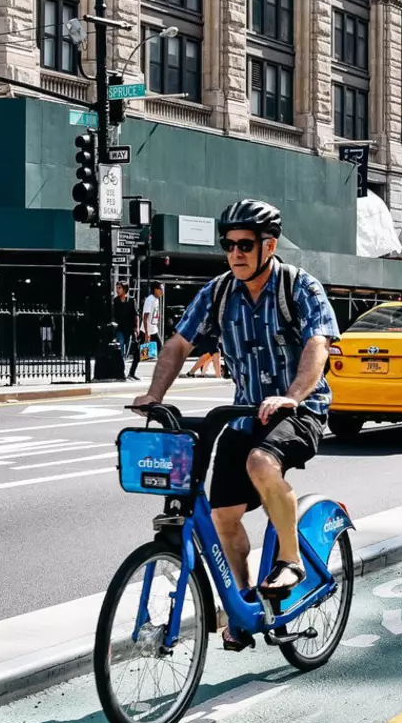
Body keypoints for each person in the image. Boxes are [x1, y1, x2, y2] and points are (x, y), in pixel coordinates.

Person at [133, 199, 340, 648]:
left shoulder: (299, 286)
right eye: (228, 245)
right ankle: (244, 604)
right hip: (245, 413)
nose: (235, 254)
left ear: (270, 245)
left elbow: (317, 347)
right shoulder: (219, 292)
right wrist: (154, 396)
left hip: (300, 410)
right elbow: (177, 344)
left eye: (245, 245)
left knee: (262, 465)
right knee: (223, 516)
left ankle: (291, 559)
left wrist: (292, 395)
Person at [112, 283, 140, 380]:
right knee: (121, 350)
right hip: (120, 328)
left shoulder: (132, 300)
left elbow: (136, 315)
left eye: (119, 288)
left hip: (130, 328)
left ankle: (131, 373)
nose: (117, 290)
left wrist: (137, 328)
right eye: (117, 288)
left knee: (129, 350)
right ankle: (122, 373)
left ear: (124, 289)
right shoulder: (115, 301)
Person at [137, 283, 165, 380]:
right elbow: (145, 317)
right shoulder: (150, 300)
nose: (162, 291)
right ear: (155, 289)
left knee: (162, 350)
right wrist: (146, 334)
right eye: (161, 289)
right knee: (139, 354)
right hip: (146, 330)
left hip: (154, 330)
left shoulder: (156, 299)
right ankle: (131, 373)